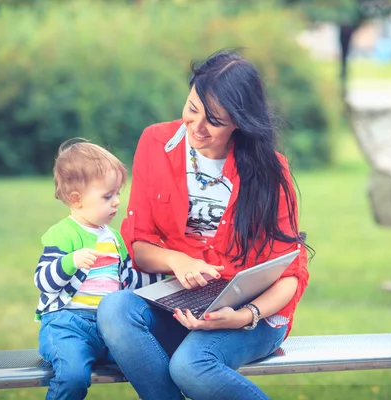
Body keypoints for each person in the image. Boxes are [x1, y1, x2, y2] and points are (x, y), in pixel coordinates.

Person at [96, 49, 311, 400]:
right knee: (115, 309)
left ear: (239, 122)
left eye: (214, 120)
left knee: (191, 366)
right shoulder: (155, 144)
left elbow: (290, 274)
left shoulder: (271, 171)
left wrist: (244, 315)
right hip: (184, 304)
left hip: (255, 314)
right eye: (192, 108)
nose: (196, 127)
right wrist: (177, 261)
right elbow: (139, 247)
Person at [33, 139, 164, 400]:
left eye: (117, 194)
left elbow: (128, 280)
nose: (116, 202)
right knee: (73, 376)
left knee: (147, 360)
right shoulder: (62, 234)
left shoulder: (115, 239)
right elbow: (43, 281)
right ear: (76, 199)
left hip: (108, 328)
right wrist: (70, 262)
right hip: (67, 325)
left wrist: (165, 277)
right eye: (107, 196)